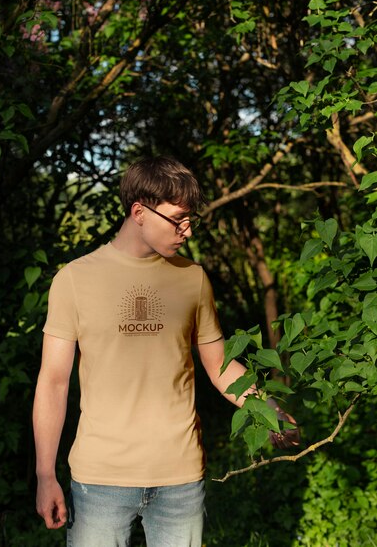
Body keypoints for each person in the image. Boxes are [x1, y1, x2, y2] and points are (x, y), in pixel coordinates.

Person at [33, 155, 299, 547]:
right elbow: (53, 383)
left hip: (180, 479)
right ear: (139, 212)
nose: (187, 231)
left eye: (191, 219)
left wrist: (269, 408)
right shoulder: (74, 279)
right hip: (100, 479)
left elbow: (219, 365)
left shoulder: (193, 279)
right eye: (179, 219)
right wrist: (45, 474)